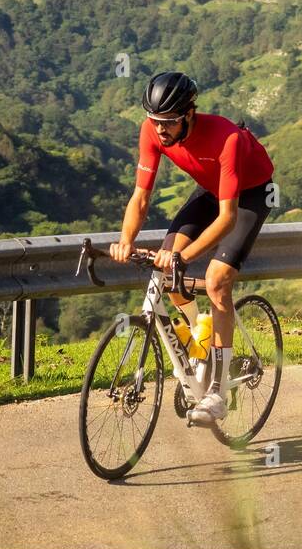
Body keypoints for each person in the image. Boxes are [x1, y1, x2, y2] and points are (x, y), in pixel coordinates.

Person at [111, 71, 275, 420]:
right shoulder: (151, 131)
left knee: (216, 281)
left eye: (168, 121)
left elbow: (227, 218)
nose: (160, 129)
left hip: (249, 196)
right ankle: (200, 336)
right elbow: (141, 197)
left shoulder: (226, 138)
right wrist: (125, 241)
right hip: (210, 190)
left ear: (189, 113)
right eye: (154, 120)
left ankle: (216, 391)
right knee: (164, 270)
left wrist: (183, 256)